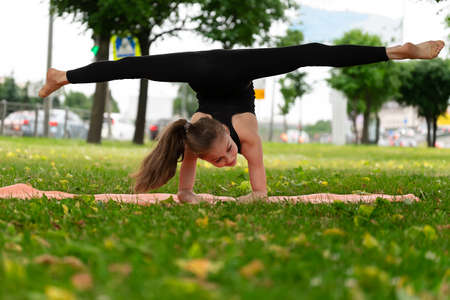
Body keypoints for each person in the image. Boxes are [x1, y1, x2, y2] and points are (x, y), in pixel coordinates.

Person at [38, 41, 445, 203]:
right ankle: (64, 76)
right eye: (224, 160)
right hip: (209, 67)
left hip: (221, 66)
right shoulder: (196, 134)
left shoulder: (239, 135)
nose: (231, 159)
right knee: (136, 65)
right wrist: (189, 195)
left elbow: (256, 191)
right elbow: (190, 189)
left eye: (227, 153)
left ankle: (397, 51)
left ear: (229, 139)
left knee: (136, 66)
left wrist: (197, 196)